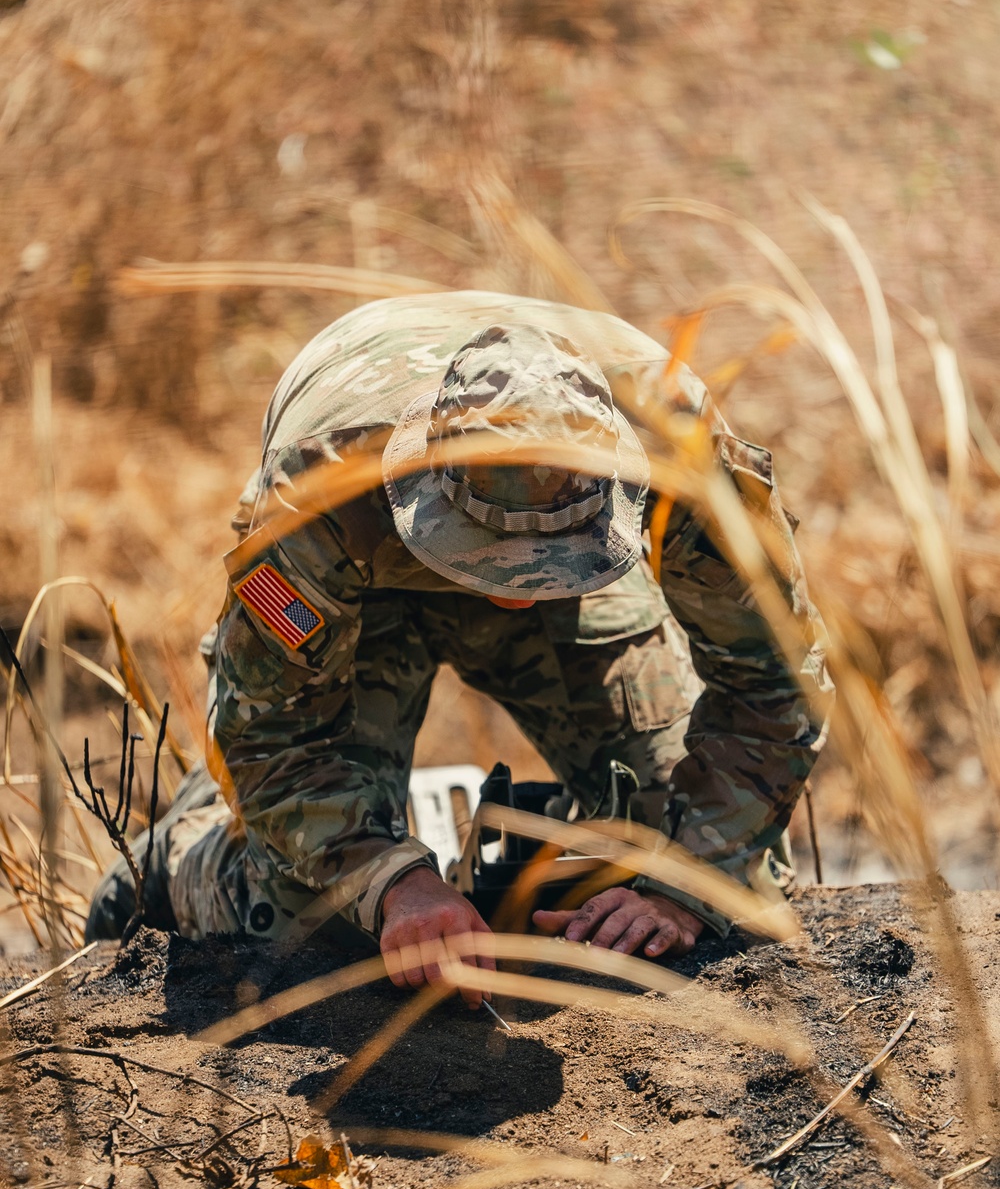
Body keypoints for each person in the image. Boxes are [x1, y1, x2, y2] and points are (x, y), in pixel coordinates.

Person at [86, 291, 831, 1008]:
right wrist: (392, 883)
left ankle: (566, 840)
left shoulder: (681, 453)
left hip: (585, 590)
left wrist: (683, 882)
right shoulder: (322, 483)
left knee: (717, 864)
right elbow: (274, 737)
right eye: (490, 557)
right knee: (303, 925)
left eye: (542, 557)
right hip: (371, 590)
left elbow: (776, 684)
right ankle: (187, 845)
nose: (509, 593)